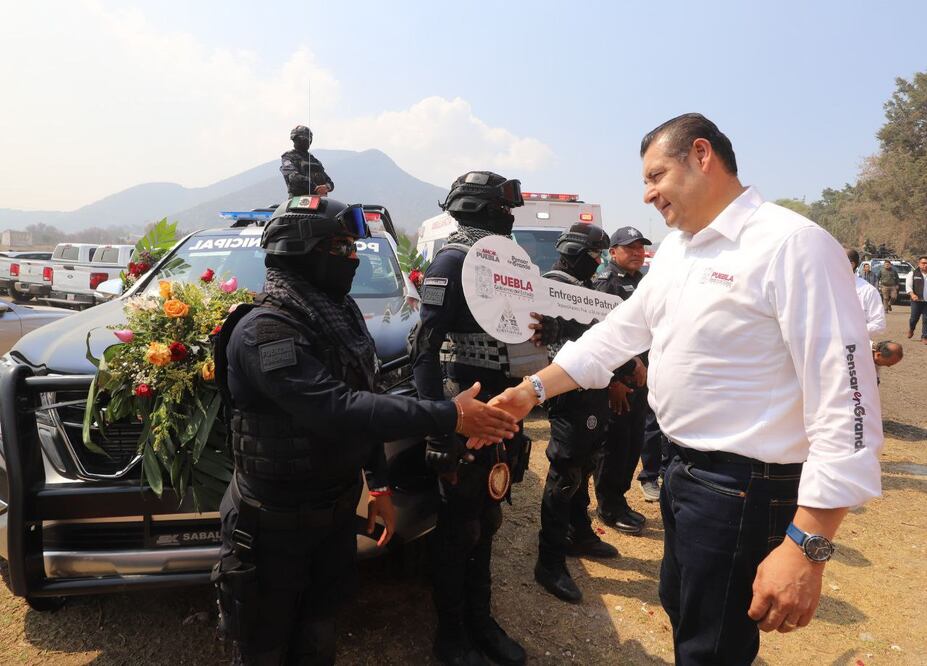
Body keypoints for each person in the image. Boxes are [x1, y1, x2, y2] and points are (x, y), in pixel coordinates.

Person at [482, 113, 883, 665]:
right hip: (682, 472)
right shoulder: (677, 250)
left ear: (701, 155)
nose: (647, 195)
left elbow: (848, 401)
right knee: (683, 607)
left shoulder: (792, 246)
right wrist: (531, 389)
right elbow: (618, 334)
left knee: (711, 645)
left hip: (744, 486)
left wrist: (808, 546)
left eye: (655, 176)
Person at [211, 196, 519, 664]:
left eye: (354, 245)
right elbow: (338, 410)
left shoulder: (340, 315)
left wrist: (378, 487)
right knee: (264, 646)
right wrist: (449, 415)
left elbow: (366, 396)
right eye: (342, 246)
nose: (353, 257)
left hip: (331, 513)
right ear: (302, 251)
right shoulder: (265, 331)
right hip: (270, 526)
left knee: (318, 635)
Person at [411, 171, 540, 666]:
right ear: (480, 208)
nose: (510, 218)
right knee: (458, 526)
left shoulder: (507, 261)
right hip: (463, 406)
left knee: (488, 516)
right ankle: (452, 635)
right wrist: (437, 422)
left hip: (505, 406)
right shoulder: (453, 258)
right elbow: (423, 344)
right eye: (504, 209)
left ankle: (480, 620)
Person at [530, 223, 619, 604]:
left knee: (585, 466)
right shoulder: (549, 287)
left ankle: (579, 531)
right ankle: (549, 560)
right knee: (565, 472)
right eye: (595, 256)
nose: (598, 264)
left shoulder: (585, 291)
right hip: (569, 393)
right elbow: (542, 340)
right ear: (576, 251)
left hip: (593, 390)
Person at [591, 226, 653, 534]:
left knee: (632, 445)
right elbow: (601, 337)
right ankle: (608, 506)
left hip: (641, 381)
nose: (638, 253)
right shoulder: (606, 284)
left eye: (641, 248)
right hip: (619, 382)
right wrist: (614, 381)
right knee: (614, 446)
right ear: (613, 252)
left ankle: (620, 500)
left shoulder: (641, 282)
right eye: (630, 248)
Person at [280, 125, 335, 198]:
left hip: (318, 200)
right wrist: (316, 188)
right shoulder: (288, 157)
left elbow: (329, 181)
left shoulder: (314, 160)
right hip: (298, 200)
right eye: (301, 139)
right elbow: (294, 177)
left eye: (307, 139)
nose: (304, 141)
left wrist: (326, 187)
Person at [847, 248, 886, 337]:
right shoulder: (827, 288)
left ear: (851, 265)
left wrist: (851, 331)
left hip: (855, 346)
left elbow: (879, 324)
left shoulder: (868, 291)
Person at [905, 256, 927, 342]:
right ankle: (911, 329)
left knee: (926, 319)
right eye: (923, 263)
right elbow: (908, 286)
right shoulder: (913, 274)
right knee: (914, 319)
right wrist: (912, 294)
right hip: (916, 301)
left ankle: (924, 336)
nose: (925, 265)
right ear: (919, 264)